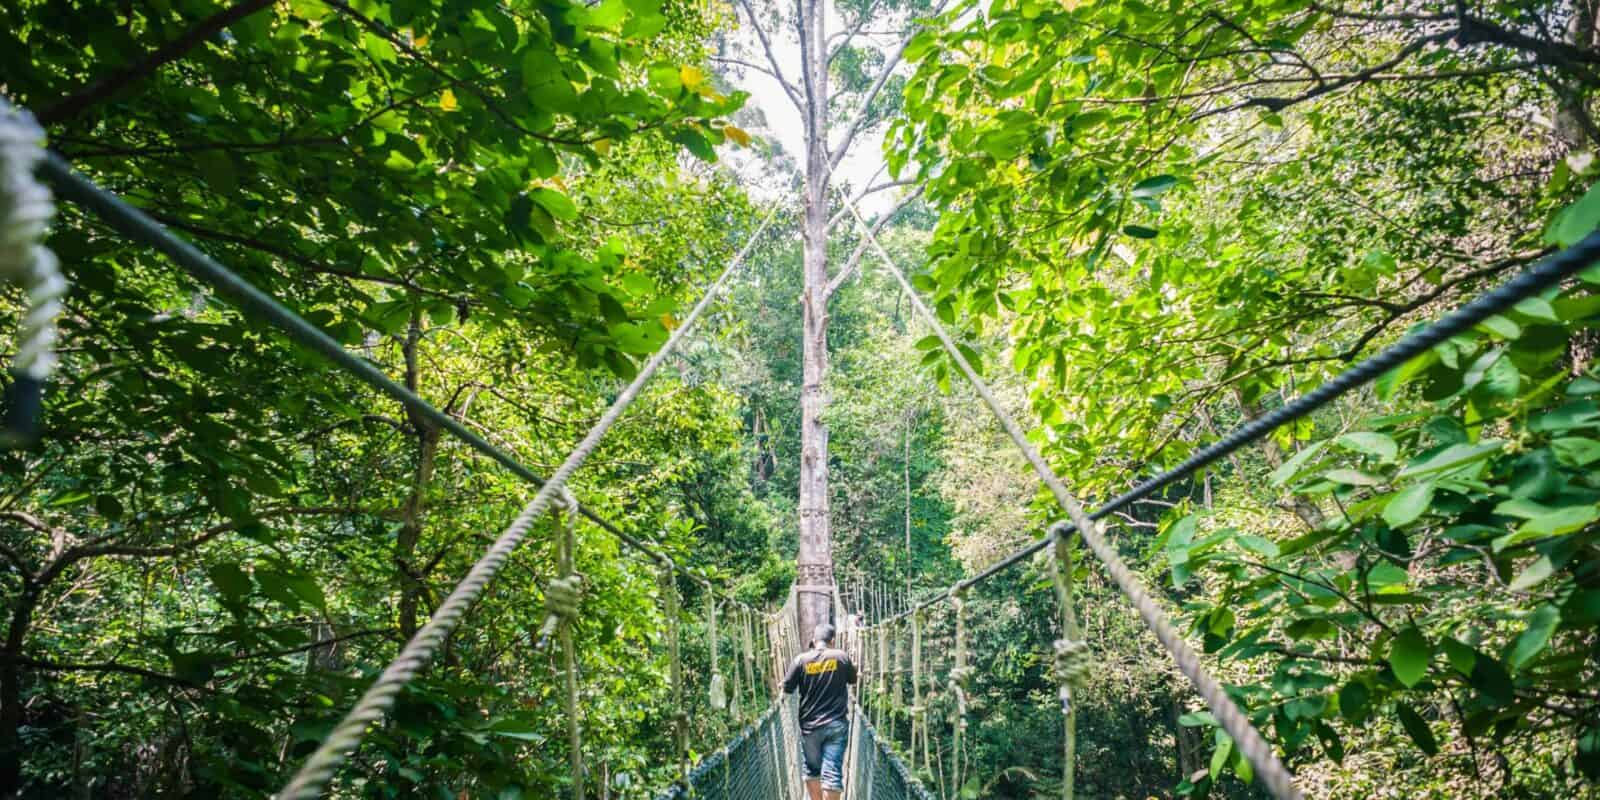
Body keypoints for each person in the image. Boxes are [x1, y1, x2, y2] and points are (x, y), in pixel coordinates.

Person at [783, 622, 857, 800]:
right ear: (832, 640)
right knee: (832, 774)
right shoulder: (841, 657)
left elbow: (787, 688)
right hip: (836, 724)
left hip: (810, 727)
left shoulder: (800, 660)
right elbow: (853, 680)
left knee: (812, 770)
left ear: (814, 640)